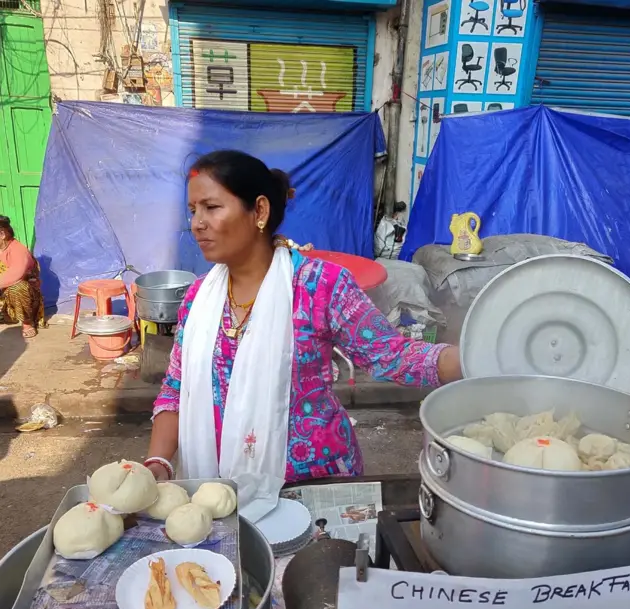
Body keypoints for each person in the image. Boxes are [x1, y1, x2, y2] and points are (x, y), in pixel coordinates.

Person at [145, 150, 461, 518]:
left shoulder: (319, 286)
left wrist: (477, 355)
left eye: (211, 207)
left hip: (312, 489)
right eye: (193, 210)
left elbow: (393, 355)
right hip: (218, 493)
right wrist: (157, 464)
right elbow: (176, 389)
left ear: (259, 211)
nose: (197, 223)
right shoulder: (199, 297)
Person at [0, 216, 45, 339]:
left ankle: (27, 323)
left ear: (2, 234)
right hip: (3, 296)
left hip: (25, 296)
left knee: (18, 287)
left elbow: (15, 275)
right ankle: (5, 315)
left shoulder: (18, 250)